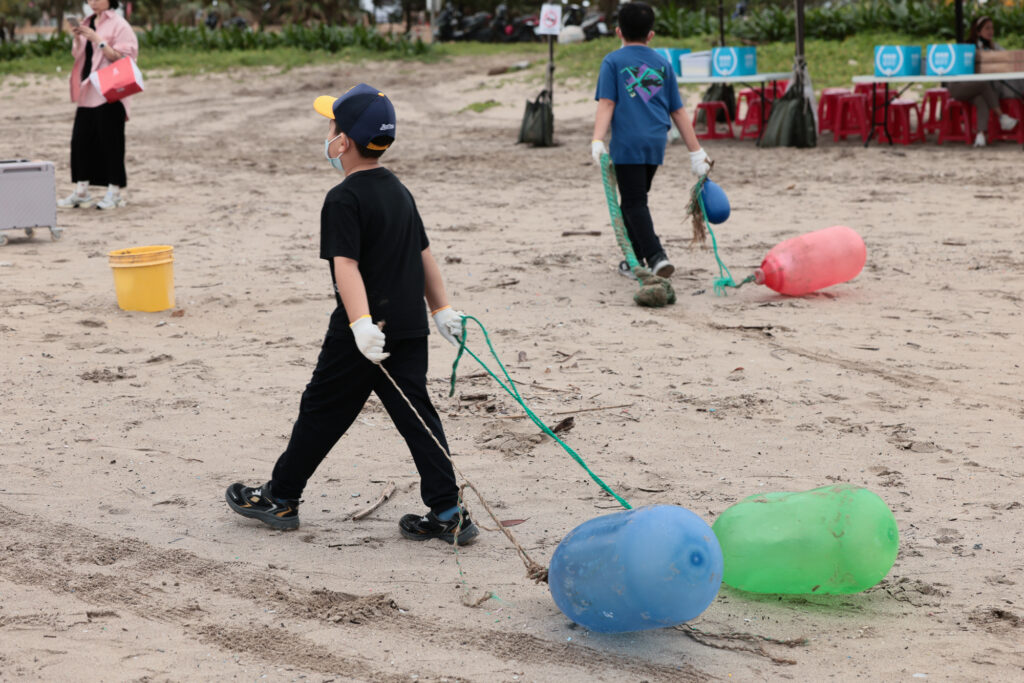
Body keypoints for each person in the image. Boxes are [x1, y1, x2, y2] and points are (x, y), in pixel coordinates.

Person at [225, 84, 479, 545]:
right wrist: (440, 308)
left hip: (362, 333)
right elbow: (424, 253)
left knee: (321, 409)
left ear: (343, 142)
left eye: (331, 127)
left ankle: (281, 497)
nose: (327, 135)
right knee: (417, 416)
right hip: (407, 326)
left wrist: (360, 325)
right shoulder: (398, 189)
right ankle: (447, 510)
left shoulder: (343, 198)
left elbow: (347, 265)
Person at [590, 1, 711, 280]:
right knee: (632, 200)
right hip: (656, 141)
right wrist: (696, 152)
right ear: (651, 34)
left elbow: (607, 103)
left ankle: (656, 256)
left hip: (628, 142)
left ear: (618, 32)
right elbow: (678, 111)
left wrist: (597, 139)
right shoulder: (663, 64)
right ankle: (634, 260)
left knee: (634, 202)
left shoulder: (613, 62)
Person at [57, 0, 138, 209]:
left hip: (110, 91)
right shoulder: (87, 22)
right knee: (80, 142)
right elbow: (79, 56)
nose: (92, 2)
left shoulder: (120, 25)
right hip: (87, 90)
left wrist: (98, 40)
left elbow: (125, 58)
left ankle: (114, 192)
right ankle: (81, 191)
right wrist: (78, 38)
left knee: (111, 143)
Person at [947, 15, 1019, 148]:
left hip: (977, 89)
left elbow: (1007, 56)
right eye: (987, 28)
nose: (991, 31)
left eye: (992, 28)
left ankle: (980, 136)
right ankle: (1001, 117)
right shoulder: (968, 47)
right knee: (984, 84)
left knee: (982, 100)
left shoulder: (992, 46)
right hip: (959, 87)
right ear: (978, 31)